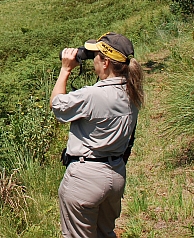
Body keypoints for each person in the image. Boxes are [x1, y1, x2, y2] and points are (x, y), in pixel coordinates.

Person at [50, 32, 144, 238]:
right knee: (105, 233)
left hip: (86, 178)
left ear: (106, 62)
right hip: (116, 174)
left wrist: (65, 70)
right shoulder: (133, 91)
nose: (93, 61)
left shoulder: (93, 95)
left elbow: (57, 106)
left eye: (96, 57)